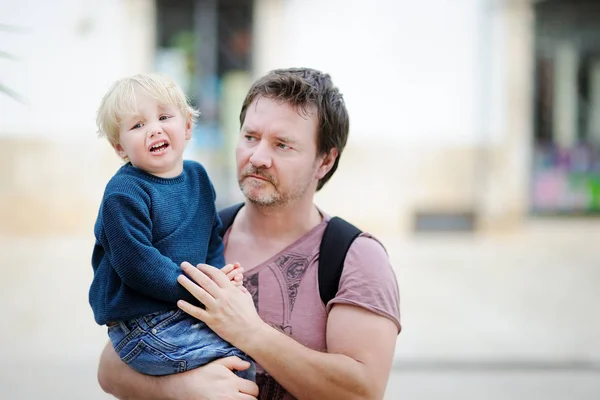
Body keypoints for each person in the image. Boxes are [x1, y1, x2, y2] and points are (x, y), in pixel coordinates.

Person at [97, 67, 401, 400]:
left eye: (282, 145)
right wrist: (181, 388)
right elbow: (110, 367)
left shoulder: (355, 258)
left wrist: (251, 333)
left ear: (325, 161)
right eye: (250, 137)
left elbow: (362, 392)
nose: (257, 157)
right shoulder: (202, 230)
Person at [89, 73, 255, 380]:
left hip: (182, 309)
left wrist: (218, 279)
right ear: (120, 148)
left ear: (188, 126)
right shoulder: (124, 193)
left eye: (164, 117)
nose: (154, 129)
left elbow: (211, 240)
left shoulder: (198, 178)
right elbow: (138, 264)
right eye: (137, 125)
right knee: (236, 362)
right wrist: (201, 290)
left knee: (248, 348)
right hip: (141, 322)